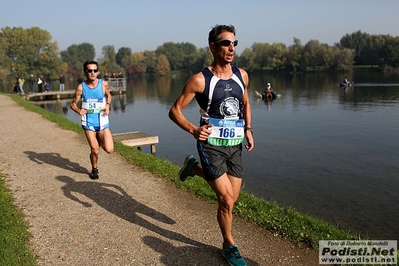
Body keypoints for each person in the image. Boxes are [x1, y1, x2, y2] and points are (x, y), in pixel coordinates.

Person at [169, 24, 253, 266]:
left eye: (234, 43)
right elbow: (174, 111)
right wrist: (194, 130)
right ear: (213, 47)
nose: (231, 48)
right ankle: (229, 245)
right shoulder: (200, 80)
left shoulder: (242, 75)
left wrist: (248, 130)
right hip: (211, 145)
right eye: (226, 43)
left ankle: (193, 168)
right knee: (226, 200)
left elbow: (246, 103)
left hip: (234, 144)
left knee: (233, 198)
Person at [70, 60, 114, 180]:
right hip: (88, 122)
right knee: (95, 150)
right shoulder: (81, 87)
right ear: (85, 72)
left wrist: (108, 105)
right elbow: (72, 104)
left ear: (98, 72)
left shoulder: (103, 84)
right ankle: (94, 169)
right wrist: (78, 110)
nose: (92, 73)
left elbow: (108, 95)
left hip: (103, 121)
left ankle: (99, 140)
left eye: (95, 70)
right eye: (89, 70)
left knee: (109, 150)